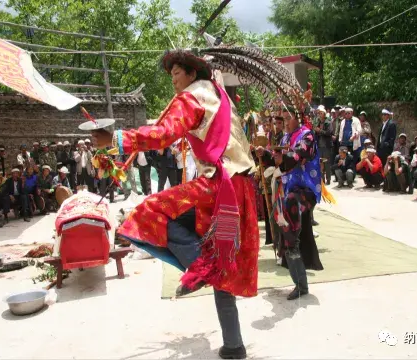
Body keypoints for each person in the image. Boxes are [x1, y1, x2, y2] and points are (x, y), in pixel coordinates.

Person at [91, 49, 260, 359]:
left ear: (192, 74)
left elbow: (162, 134)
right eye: (171, 75)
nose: (173, 81)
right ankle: (234, 346)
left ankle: (197, 267)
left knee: (146, 213)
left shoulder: (191, 98)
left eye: (177, 74)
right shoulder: (220, 95)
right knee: (221, 268)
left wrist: (114, 139)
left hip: (219, 188)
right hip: (242, 190)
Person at [256, 107, 324, 301]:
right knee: (285, 226)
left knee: (291, 206)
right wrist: (265, 154)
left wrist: (281, 158)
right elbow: (277, 160)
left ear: (299, 118)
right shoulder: (285, 139)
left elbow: (297, 156)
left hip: (306, 191)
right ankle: (300, 283)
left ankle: (292, 246)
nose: (284, 121)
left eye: (288, 117)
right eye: (283, 117)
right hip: (288, 190)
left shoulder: (307, 136)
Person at [313, 105, 333, 185]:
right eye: (318, 113)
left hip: (326, 146)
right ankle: (322, 179)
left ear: (324, 114)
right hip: (319, 146)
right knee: (320, 162)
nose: (319, 115)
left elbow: (329, 133)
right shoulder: (317, 123)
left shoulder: (328, 122)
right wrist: (315, 131)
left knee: (327, 163)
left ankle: (328, 179)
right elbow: (316, 133)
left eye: (321, 113)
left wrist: (320, 131)